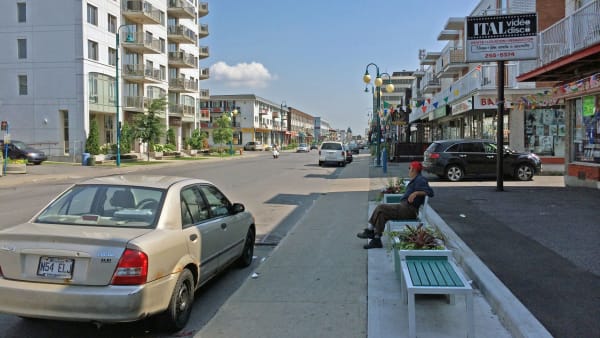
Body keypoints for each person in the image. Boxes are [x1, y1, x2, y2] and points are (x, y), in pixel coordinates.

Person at [357, 161, 434, 249]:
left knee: (381, 207)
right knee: (382, 214)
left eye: (409, 168)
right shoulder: (416, 180)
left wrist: (416, 193)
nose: (409, 170)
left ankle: (370, 230)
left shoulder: (420, 179)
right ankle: (376, 240)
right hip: (405, 208)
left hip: (409, 210)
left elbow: (430, 192)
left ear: (414, 169)